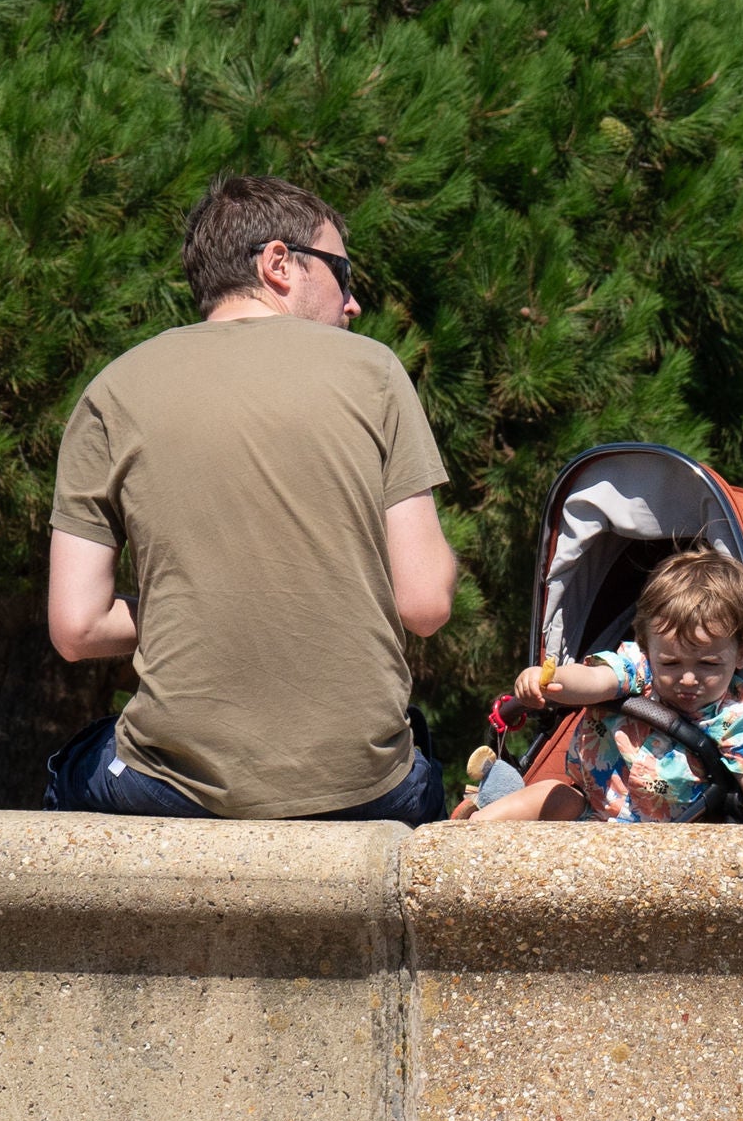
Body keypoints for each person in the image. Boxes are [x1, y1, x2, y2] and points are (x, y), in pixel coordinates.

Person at [42, 176, 460, 825]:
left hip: (168, 788)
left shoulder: (112, 390)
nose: (353, 304)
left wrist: (194, 604)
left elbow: (77, 627)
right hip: (366, 789)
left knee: (72, 768)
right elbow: (427, 604)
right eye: (342, 273)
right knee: (424, 757)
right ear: (278, 263)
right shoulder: (374, 371)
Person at [467, 545, 743, 826]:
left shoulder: (740, 717)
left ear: (742, 653)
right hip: (590, 810)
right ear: (646, 646)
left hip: (666, 842)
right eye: (670, 662)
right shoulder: (639, 668)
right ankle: (475, 830)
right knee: (555, 794)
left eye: (708, 664)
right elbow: (593, 680)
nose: (687, 678)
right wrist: (550, 679)